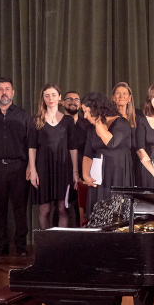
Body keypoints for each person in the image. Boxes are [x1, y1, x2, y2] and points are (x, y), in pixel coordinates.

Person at [0, 77, 34, 257]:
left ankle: (21, 246)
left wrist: (30, 167)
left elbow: (31, 144)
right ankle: (1, 246)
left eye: (7, 89)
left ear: (13, 92)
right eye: (0, 89)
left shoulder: (24, 116)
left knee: (19, 208)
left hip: (19, 167)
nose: (4, 92)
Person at [28, 84, 78, 230]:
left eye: (54, 95)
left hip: (63, 169)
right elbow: (32, 147)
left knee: (62, 209)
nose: (51, 98)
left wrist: (75, 173)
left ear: (60, 97)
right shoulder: (35, 120)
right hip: (43, 169)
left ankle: (60, 248)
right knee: (45, 210)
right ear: (42, 98)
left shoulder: (68, 121)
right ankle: (46, 247)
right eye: (47, 95)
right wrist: (33, 170)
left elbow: (73, 148)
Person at [81, 92, 135, 218]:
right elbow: (88, 153)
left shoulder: (121, 123)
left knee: (116, 214)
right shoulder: (91, 129)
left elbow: (111, 142)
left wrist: (99, 123)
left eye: (87, 111)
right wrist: (85, 175)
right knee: (98, 214)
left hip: (117, 174)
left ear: (97, 109)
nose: (85, 116)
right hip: (99, 178)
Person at [62, 90, 90, 226]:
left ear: (80, 105)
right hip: (61, 171)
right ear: (62, 102)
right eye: (69, 99)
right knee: (61, 209)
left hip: (83, 173)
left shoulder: (87, 125)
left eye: (76, 99)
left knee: (82, 208)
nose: (73, 102)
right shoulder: (57, 123)